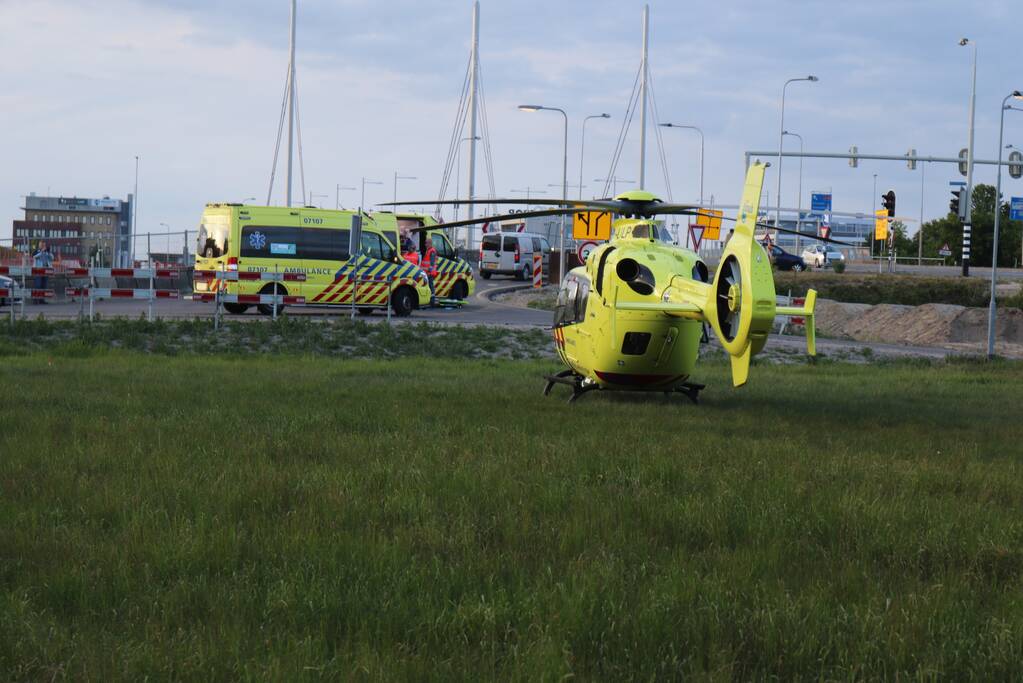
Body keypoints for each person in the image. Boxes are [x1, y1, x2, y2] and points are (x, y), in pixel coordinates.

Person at [421, 237, 439, 303]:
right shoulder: (429, 250)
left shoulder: (432, 251)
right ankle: (430, 299)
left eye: (426, 243)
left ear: (429, 243)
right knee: (429, 285)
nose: (425, 244)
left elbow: (431, 263)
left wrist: (429, 271)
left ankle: (432, 300)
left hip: (429, 272)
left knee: (430, 285)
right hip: (427, 272)